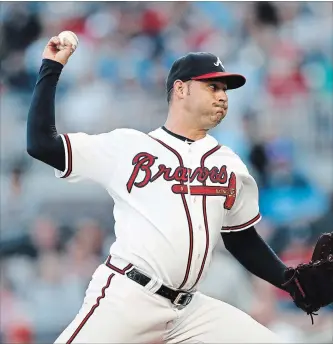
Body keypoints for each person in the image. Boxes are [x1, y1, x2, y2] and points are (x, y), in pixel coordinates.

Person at [26, 35, 289, 343]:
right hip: (130, 296)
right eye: (212, 87)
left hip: (190, 309)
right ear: (181, 89)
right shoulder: (129, 146)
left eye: (225, 90)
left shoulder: (229, 163)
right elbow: (42, 144)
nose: (223, 97)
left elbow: (242, 240)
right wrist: (51, 67)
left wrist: (290, 280)